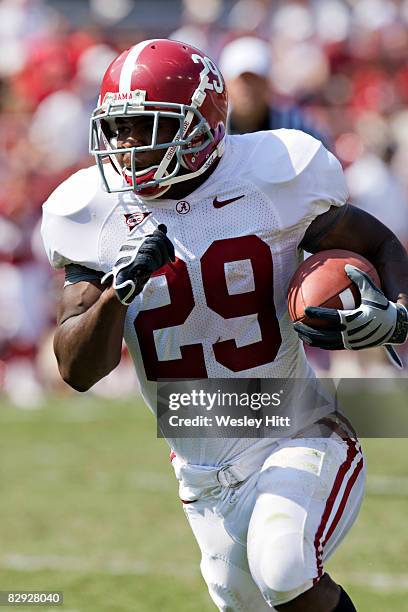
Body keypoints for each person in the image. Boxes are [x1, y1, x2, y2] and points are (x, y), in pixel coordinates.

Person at [41, 39, 408, 611]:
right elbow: (76, 369)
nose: (125, 147)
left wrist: (396, 312)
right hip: (199, 464)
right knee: (252, 599)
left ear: (202, 125)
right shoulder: (92, 211)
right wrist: (120, 290)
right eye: (116, 129)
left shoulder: (274, 176)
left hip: (295, 428)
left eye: (144, 126)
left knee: (283, 566)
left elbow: (379, 242)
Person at [218, 36, 326, 143]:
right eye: (241, 80)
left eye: (255, 80)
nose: (247, 89)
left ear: (268, 82)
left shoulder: (298, 127)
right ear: (226, 83)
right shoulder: (215, 129)